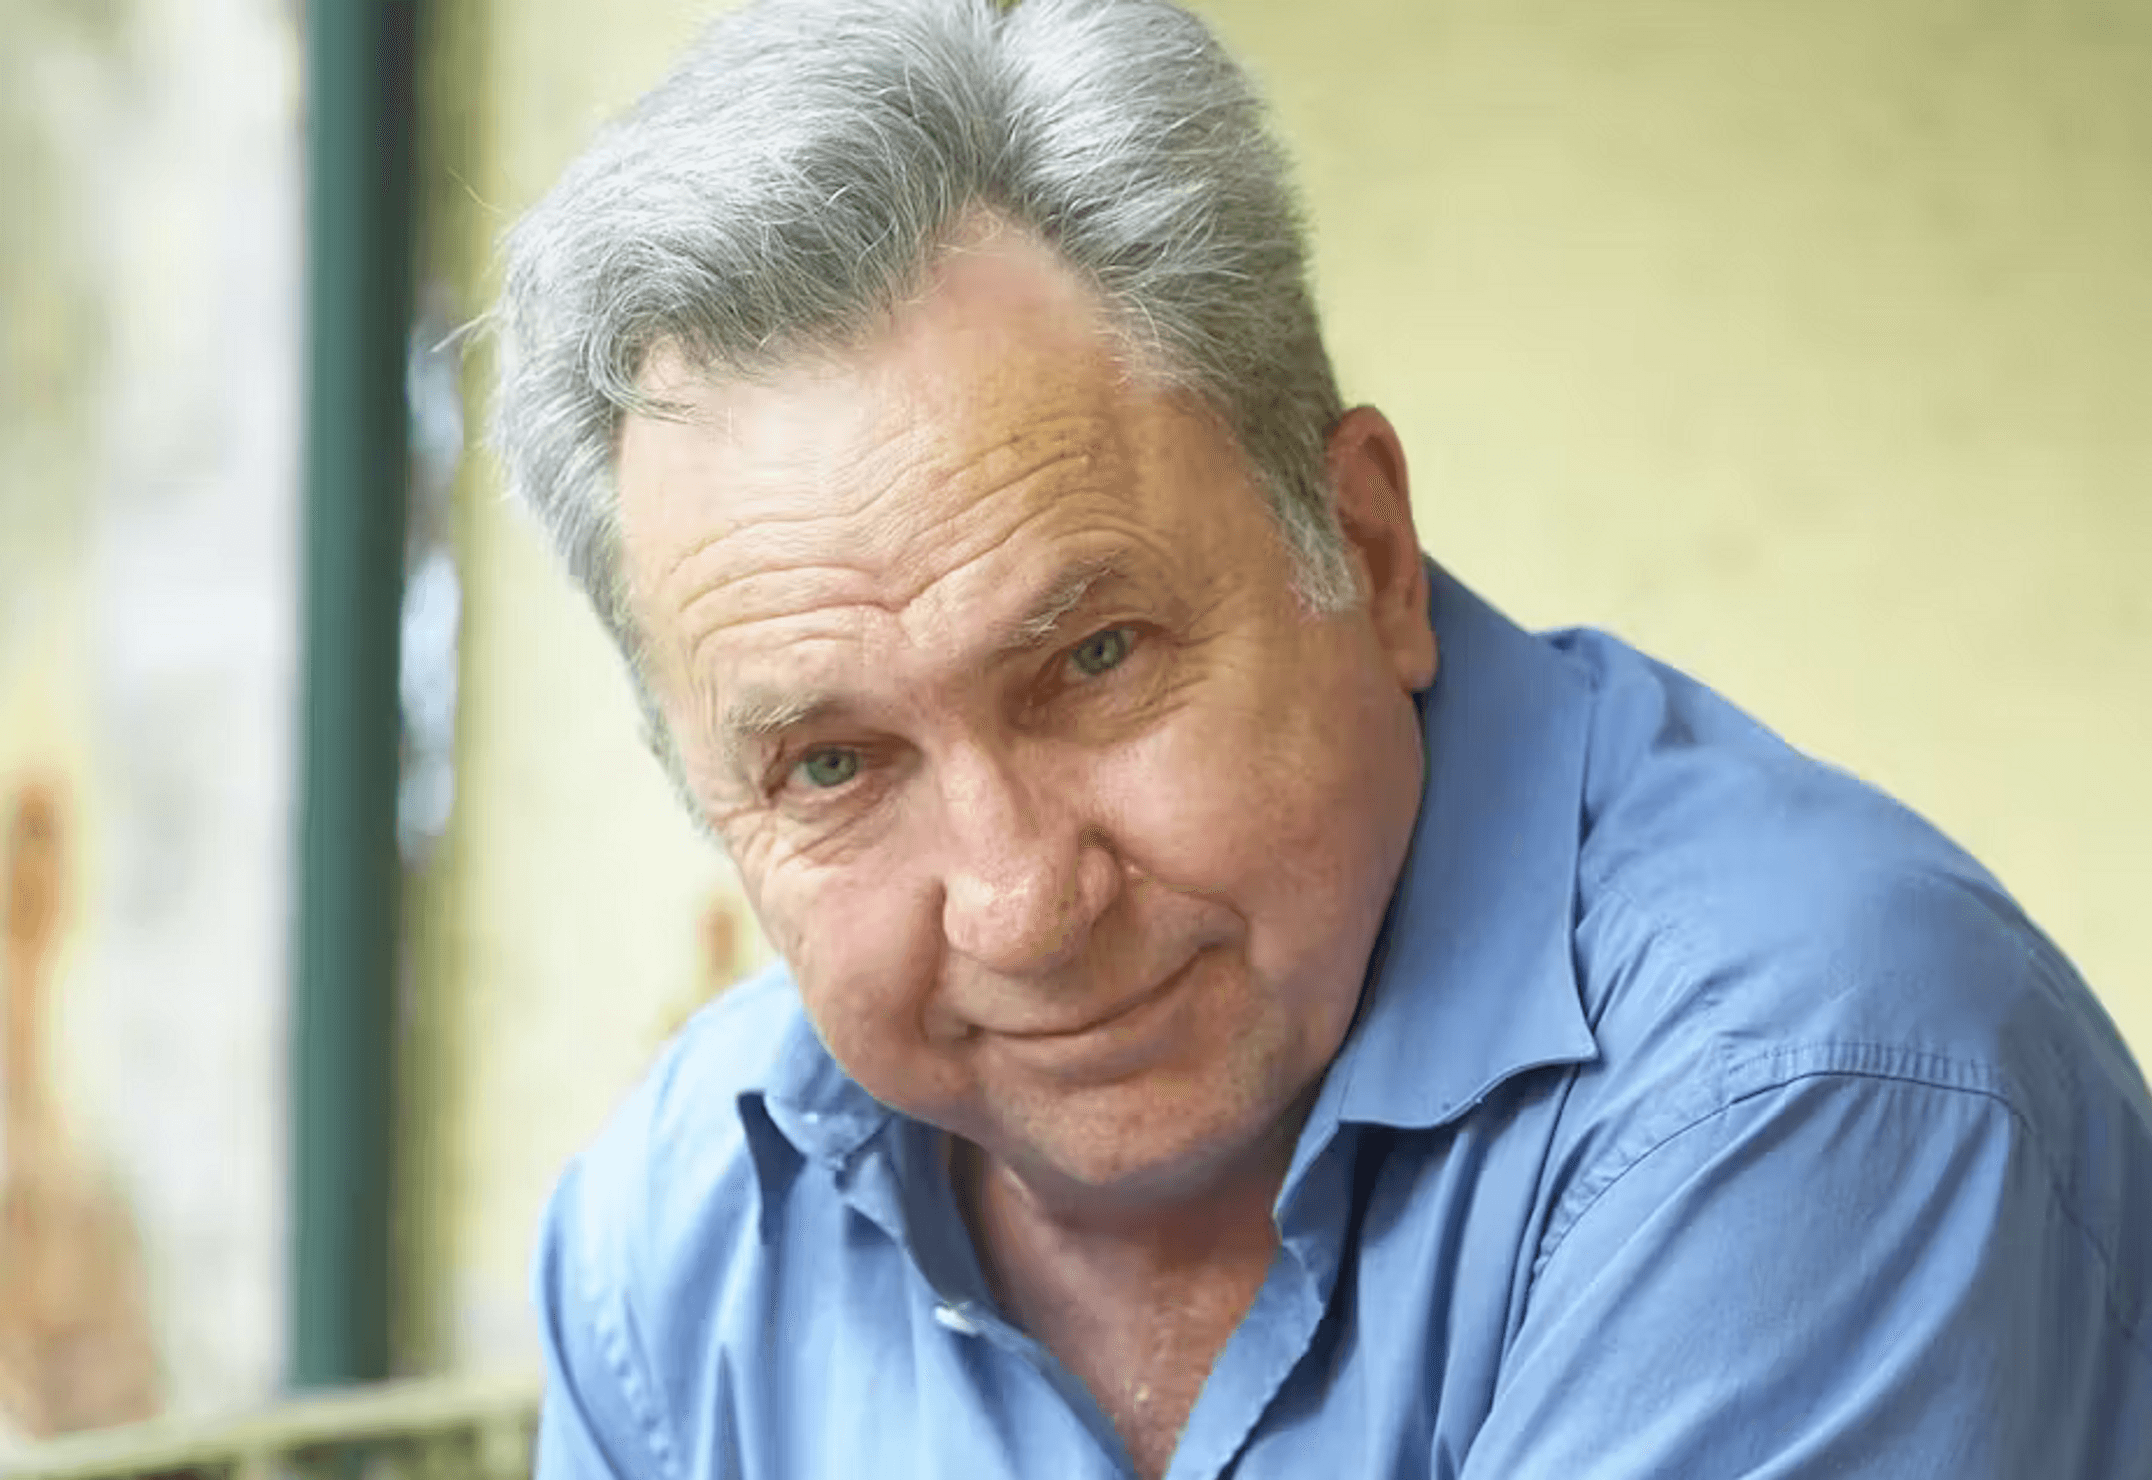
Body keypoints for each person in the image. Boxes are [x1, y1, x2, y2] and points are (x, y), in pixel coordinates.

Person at [491, 0, 2152, 1474]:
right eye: (834, 766)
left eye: (1095, 658)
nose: (1018, 904)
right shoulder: (679, 1250)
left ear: (1361, 548)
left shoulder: (1809, 1088)